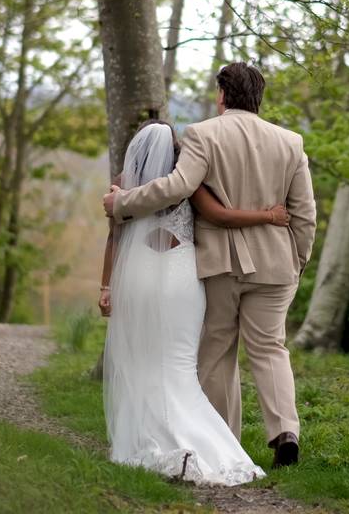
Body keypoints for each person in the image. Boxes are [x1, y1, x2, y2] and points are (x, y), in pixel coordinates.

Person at [103, 62, 317, 469]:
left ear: (222, 94)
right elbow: (304, 215)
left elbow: (177, 187)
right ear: (259, 97)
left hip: (221, 264)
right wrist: (298, 259)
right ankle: (285, 431)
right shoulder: (291, 142)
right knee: (271, 348)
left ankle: (224, 443)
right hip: (277, 266)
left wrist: (123, 203)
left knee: (218, 350)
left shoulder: (203, 134)